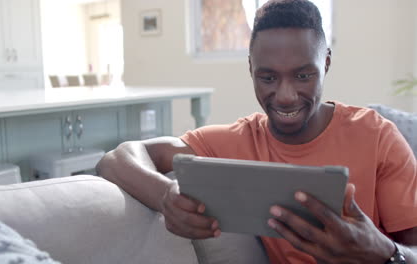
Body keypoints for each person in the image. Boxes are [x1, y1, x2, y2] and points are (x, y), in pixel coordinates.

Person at [96, 0, 417, 263]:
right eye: (268, 78)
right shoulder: (234, 141)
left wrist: (383, 253)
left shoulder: (377, 136)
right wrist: (165, 196)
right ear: (251, 68)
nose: (286, 95)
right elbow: (116, 158)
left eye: (304, 76)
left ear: (327, 64)